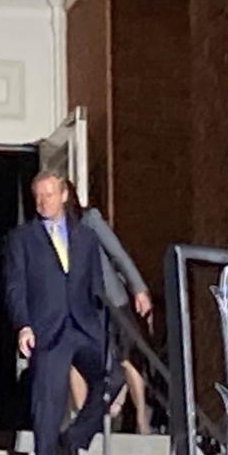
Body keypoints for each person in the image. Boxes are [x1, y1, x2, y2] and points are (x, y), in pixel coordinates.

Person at [5, 171, 111, 455]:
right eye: (38, 196)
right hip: (47, 328)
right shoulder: (21, 238)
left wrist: (103, 328)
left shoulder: (86, 237)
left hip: (83, 325)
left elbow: (97, 286)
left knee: (111, 378)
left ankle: (73, 439)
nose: (42, 202)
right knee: (48, 402)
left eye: (49, 195)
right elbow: (15, 286)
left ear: (63, 196)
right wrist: (23, 325)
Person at [63, 182, 153, 434]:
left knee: (127, 357)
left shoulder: (89, 219)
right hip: (80, 306)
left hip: (112, 300)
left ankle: (141, 417)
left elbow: (117, 253)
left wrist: (139, 288)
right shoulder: (51, 232)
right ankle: (86, 424)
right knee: (77, 360)